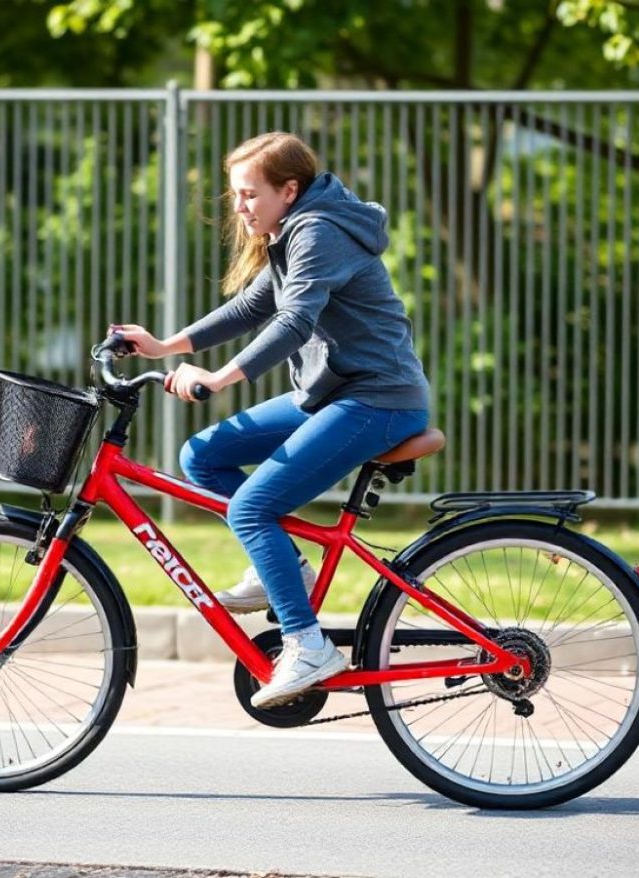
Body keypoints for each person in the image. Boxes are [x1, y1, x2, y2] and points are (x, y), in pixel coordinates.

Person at [111, 131, 430, 709]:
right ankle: (292, 572)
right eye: (234, 195)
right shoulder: (294, 230)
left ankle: (307, 645)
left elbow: (292, 324)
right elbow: (254, 306)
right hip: (333, 395)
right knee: (201, 455)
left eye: (248, 194)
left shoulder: (319, 232)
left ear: (289, 190)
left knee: (251, 507)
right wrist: (165, 347)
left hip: (378, 399)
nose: (239, 207)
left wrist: (216, 377)